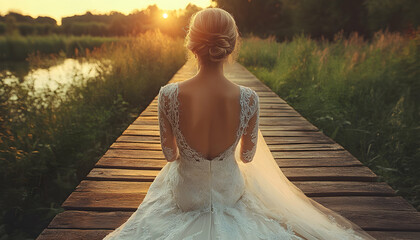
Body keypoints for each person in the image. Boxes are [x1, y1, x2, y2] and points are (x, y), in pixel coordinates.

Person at [103, 8, 376, 240]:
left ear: (191, 44)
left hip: (186, 198)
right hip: (228, 194)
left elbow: (169, 154)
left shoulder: (168, 95)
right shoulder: (249, 99)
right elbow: (246, 157)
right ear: (230, 45)